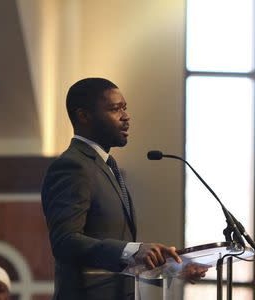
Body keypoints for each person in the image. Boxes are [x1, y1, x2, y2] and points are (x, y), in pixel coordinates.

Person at [41, 78, 206, 300]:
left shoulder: (107, 167)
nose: (126, 116)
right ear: (84, 116)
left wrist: (173, 268)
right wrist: (133, 250)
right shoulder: (73, 165)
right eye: (114, 109)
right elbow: (65, 242)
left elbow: (116, 258)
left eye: (125, 108)